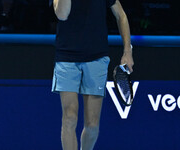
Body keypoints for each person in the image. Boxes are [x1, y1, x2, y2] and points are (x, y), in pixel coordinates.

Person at [51, 0, 134, 150]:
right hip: (67, 57)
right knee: (69, 117)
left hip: (97, 58)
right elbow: (62, 15)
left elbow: (121, 15)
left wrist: (127, 51)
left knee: (92, 125)